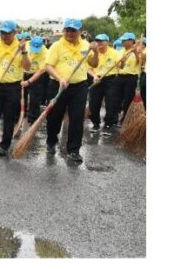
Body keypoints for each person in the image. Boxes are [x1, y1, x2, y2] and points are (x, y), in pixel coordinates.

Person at [44, 18, 99, 163]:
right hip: (58, 85)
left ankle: (74, 150)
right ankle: (51, 142)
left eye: (73, 30)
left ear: (80, 32)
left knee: (77, 118)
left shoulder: (86, 45)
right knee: (55, 117)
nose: (70, 33)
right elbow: (48, 66)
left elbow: (93, 63)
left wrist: (96, 53)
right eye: (67, 30)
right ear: (63, 31)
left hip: (79, 87)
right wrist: (60, 78)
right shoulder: (57, 46)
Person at [0, 21, 30, 156]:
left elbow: (27, 67)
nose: (4, 36)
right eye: (2, 33)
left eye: (7, 33)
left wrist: (23, 51)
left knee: (9, 117)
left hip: (13, 86)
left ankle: (5, 144)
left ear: (15, 32)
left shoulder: (21, 46)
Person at [87, 34, 120, 132]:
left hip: (111, 80)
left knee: (111, 103)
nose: (99, 43)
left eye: (101, 41)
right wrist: (94, 76)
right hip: (96, 79)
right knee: (93, 103)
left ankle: (109, 124)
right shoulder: (92, 53)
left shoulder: (114, 53)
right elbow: (88, 68)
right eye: (97, 41)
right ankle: (95, 123)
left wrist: (121, 62)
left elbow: (120, 65)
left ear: (107, 42)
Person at [116, 32, 142, 123]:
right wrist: (122, 62)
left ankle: (125, 118)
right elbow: (120, 66)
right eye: (122, 40)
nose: (122, 42)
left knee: (128, 98)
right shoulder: (119, 51)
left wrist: (135, 52)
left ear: (131, 41)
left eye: (125, 40)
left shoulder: (138, 51)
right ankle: (116, 116)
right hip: (120, 77)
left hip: (131, 78)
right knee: (117, 98)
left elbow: (139, 63)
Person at [20, 36, 48, 124]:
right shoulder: (24, 46)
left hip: (36, 75)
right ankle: (20, 114)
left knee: (35, 98)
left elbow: (40, 71)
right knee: (20, 96)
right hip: (22, 73)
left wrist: (29, 82)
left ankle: (32, 119)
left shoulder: (45, 52)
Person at [139, 37, 146, 108]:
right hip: (139, 72)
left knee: (143, 89)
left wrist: (141, 53)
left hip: (144, 72)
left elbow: (144, 58)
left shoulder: (145, 51)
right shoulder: (140, 50)